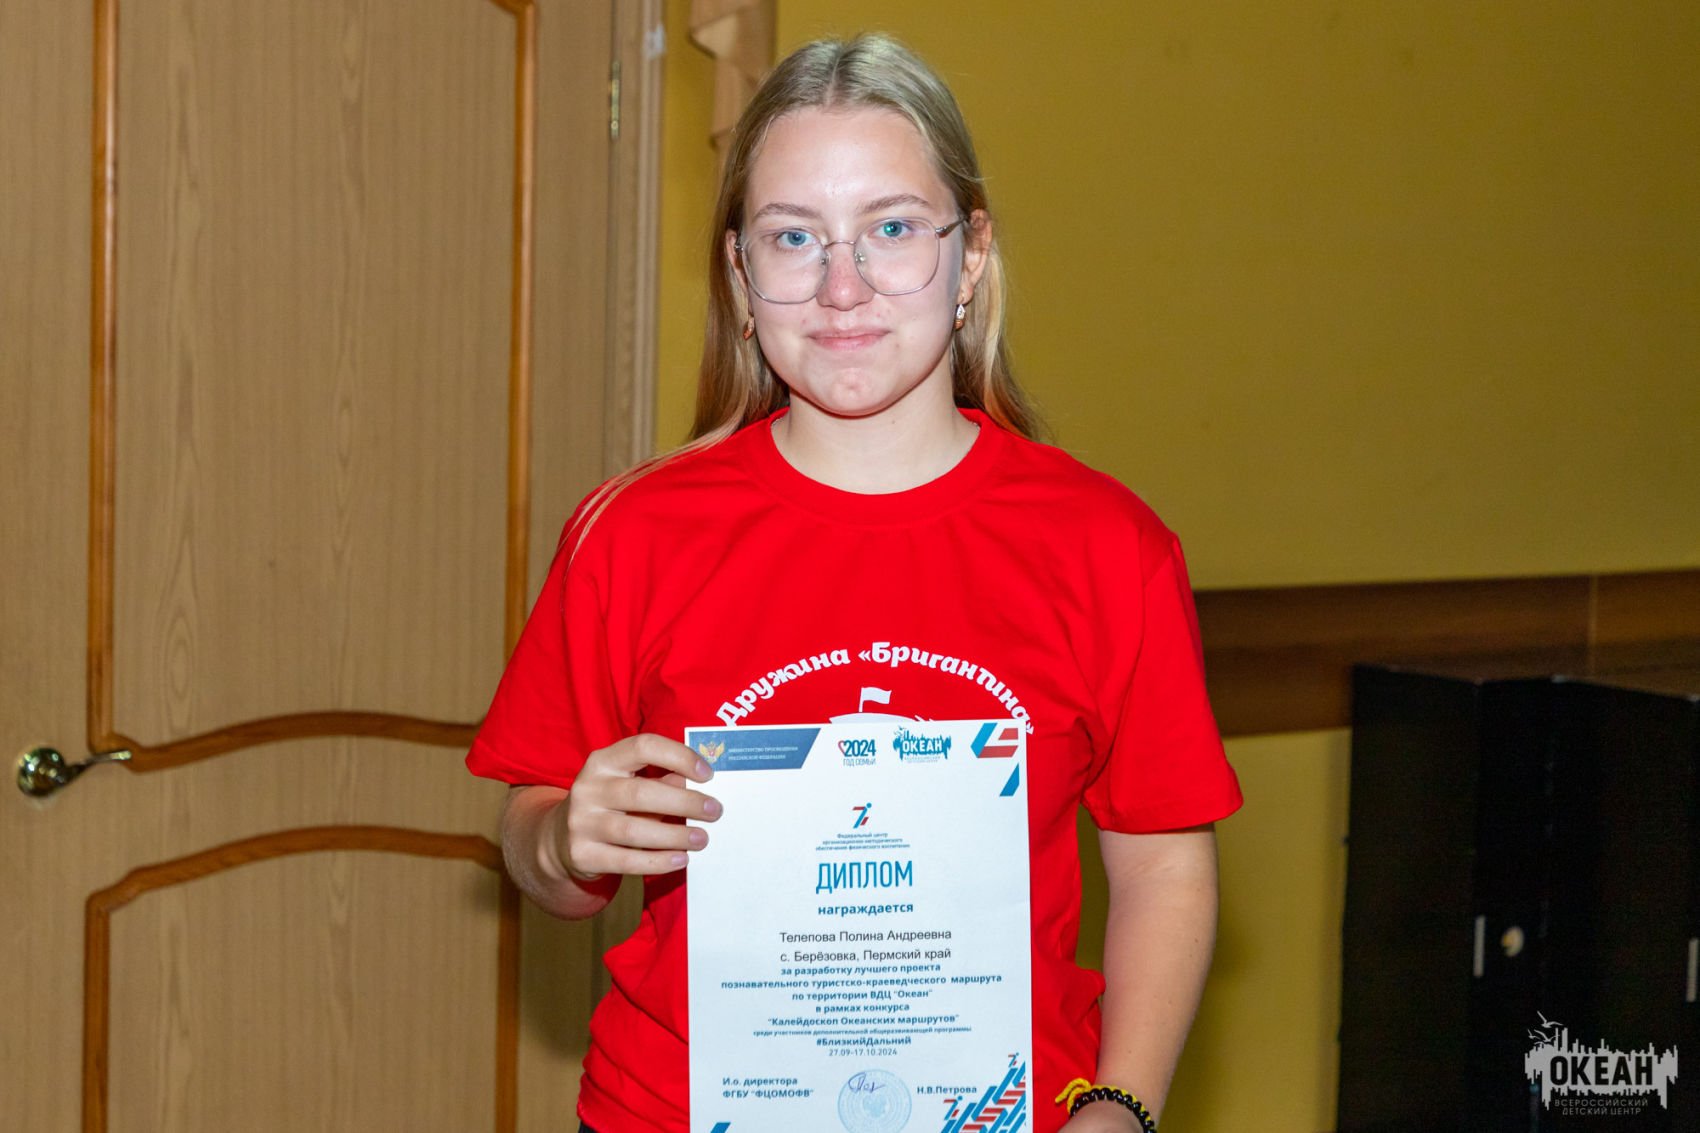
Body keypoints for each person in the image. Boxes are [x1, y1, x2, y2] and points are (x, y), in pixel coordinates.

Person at [468, 33, 1241, 1133]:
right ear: (740, 273)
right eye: (793, 237)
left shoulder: (1107, 546)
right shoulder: (631, 533)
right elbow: (535, 837)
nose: (842, 286)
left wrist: (1121, 1105)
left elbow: (1163, 866)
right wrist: (559, 838)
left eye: (891, 228)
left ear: (970, 257)